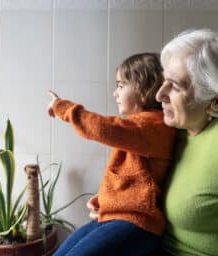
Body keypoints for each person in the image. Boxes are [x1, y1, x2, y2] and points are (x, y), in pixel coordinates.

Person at [88, 29, 218, 256]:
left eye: (175, 86)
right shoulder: (173, 131)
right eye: (164, 81)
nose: (159, 95)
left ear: (214, 101)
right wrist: (114, 202)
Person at [47, 53, 176, 256]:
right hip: (116, 217)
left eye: (121, 85)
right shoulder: (140, 129)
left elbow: (104, 128)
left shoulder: (153, 126)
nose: (115, 93)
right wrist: (105, 199)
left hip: (137, 225)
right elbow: (133, 178)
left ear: (144, 88)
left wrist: (64, 108)